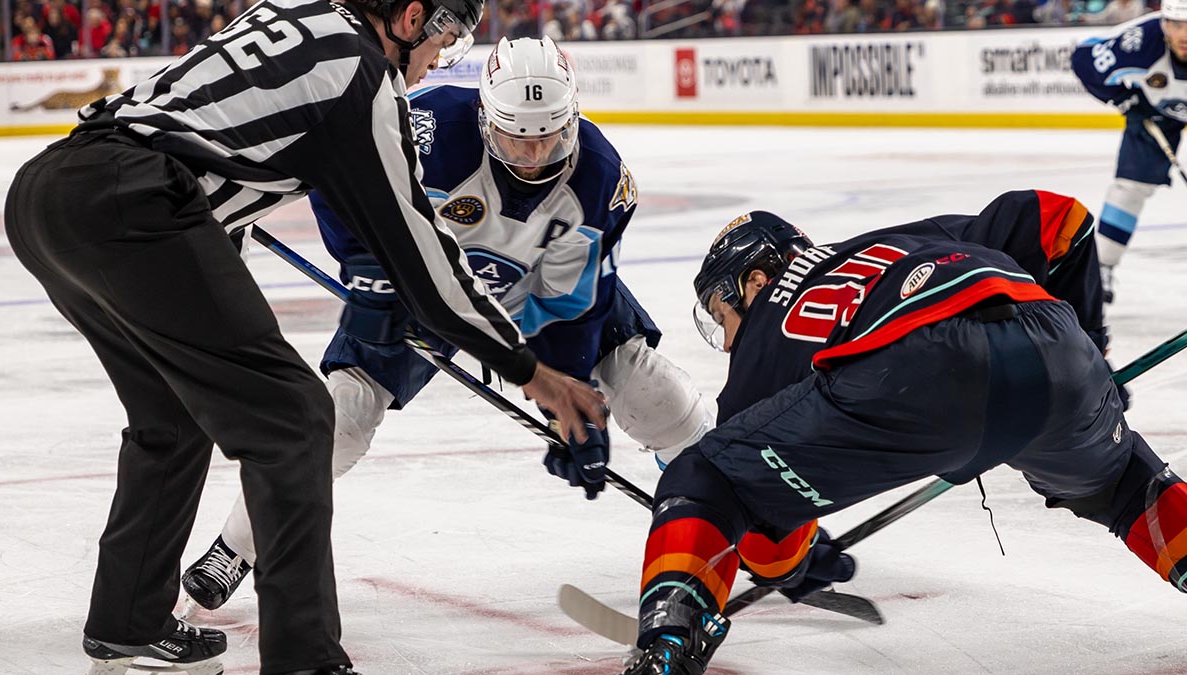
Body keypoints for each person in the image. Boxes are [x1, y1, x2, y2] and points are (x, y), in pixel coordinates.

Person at [4, 0, 608, 673]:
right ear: (411, 16)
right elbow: (426, 266)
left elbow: (203, 132)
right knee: (296, 420)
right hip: (136, 203)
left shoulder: (296, 11)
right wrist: (533, 372)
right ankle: (307, 659)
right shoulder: (364, 77)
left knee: (170, 418)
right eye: (445, 37)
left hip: (51, 192)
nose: (442, 59)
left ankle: (128, 618)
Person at [177, 35, 715, 612]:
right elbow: (335, 175)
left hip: (537, 290)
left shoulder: (601, 180)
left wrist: (569, 392)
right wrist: (366, 265)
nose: (533, 156)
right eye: (516, 137)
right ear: (486, 118)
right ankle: (237, 547)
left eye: (548, 138)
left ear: (573, 120)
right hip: (421, 284)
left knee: (652, 390)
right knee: (339, 418)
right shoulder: (428, 127)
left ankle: (724, 497)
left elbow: (574, 304)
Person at [621, 191, 1187, 674]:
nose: (725, 341)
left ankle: (668, 642)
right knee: (1122, 486)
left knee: (703, 474)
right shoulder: (906, 239)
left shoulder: (767, 325)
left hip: (918, 372)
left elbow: (757, 524)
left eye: (723, 316)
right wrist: (1089, 346)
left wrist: (792, 564)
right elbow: (1059, 218)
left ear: (757, 278)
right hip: (1057, 351)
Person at [1072, 3, 1187, 303]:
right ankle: (1104, 266)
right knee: (1130, 188)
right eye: (1176, 24)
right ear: (1163, 24)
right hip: (1155, 111)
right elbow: (1084, 58)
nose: (1184, 34)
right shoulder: (1140, 43)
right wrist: (1120, 97)